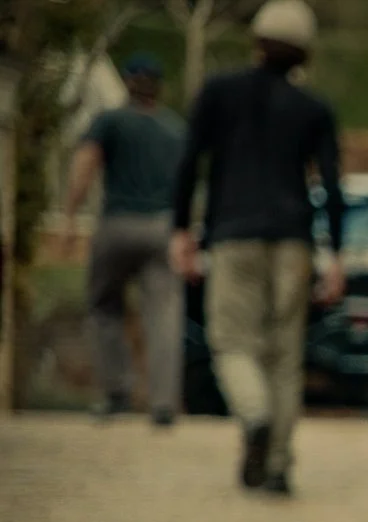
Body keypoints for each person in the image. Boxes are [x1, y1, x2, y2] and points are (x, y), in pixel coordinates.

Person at [169, 0, 346, 496]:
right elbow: (332, 185)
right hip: (294, 241)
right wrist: (335, 255)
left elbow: (189, 164)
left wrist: (181, 231)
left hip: (233, 236)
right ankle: (278, 466)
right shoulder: (314, 109)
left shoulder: (219, 92)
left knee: (231, 342)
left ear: (256, 42)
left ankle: (255, 415)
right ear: (304, 55)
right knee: (285, 357)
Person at [65, 53, 187, 425]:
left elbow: (86, 162)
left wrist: (70, 214)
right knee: (164, 315)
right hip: (161, 227)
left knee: (104, 306)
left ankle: (117, 392)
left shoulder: (110, 121)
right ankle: (163, 402)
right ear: (159, 87)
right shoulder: (175, 129)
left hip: (117, 222)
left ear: (129, 82)